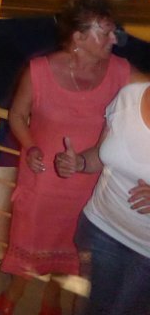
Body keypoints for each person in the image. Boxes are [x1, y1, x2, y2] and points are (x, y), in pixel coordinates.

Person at [0, 0, 140, 315]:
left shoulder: (122, 72)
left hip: (91, 182)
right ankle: (14, 293)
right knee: (30, 241)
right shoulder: (39, 71)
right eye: (106, 32)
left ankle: (52, 298)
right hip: (42, 178)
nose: (115, 39)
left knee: (69, 246)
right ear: (78, 37)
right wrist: (30, 145)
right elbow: (18, 115)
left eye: (115, 31)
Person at [54, 82, 150, 315]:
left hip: (146, 250)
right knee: (90, 308)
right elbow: (101, 153)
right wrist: (79, 162)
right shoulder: (129, 96)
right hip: (101, 227)